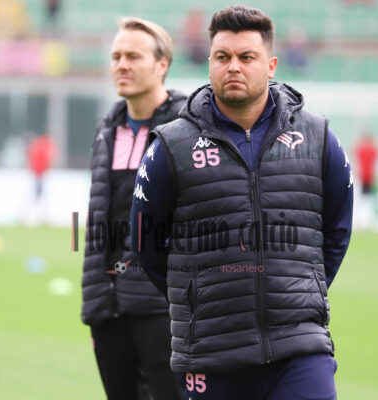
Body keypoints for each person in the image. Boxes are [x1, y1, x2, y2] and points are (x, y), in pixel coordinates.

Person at [131, 5, 353, 400]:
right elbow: (145, 242)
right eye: (223, 57)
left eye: (247, 57)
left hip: (299, 348)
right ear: (210, 65)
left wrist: (303, 288)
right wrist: (195, 296)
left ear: (271, 66)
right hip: (211, 352)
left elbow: (337, 230)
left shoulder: (318, 137)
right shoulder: (171, 145)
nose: (233, 66)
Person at [80, 17, 186, 400]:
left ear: (162, 65)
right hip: (109, 306)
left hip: (162, 306)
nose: (122, 65)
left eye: (133, 56)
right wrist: (96, 301)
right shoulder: (107, 130)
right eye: (116, 56)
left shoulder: (187, 129)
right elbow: (100, 217)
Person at [354, 130, 378, 228]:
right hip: (369, 176)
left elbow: (356, 162)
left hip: (362, 176)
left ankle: (362, 219)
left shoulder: (360, 148)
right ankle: (367, 220)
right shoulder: (373, 149)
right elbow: (377, 163)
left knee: (362, 198)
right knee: (369, 198)